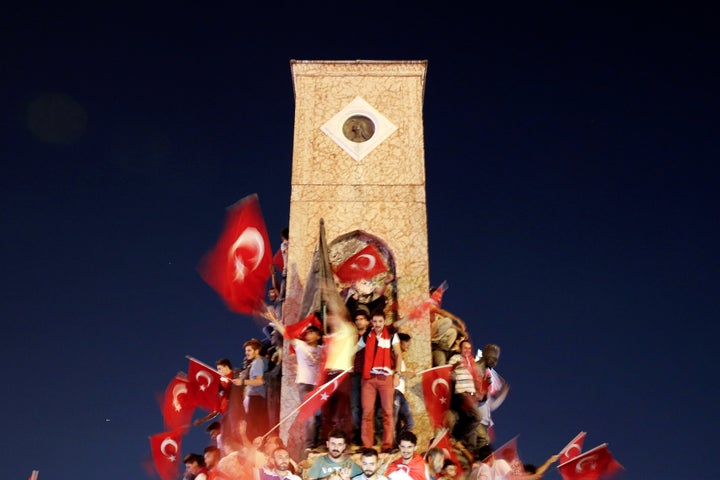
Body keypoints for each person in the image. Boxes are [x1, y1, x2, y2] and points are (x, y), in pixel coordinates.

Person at [360, 310, 402, 452]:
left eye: (380, 321)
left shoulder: (391, 335)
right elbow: (355, 349)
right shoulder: (367, 335)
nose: (377, 324)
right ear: (371, 322)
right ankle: (367, 446)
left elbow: (399, 355)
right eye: (375, 321)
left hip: (386, 377)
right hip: (369, 378)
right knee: (367, 412)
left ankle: (387, 445)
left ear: (384, 322)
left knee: (388, 412)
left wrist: (397, 374)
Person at [318, 313, 358, 444]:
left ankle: (345, 440)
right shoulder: (329, 338)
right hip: (328, 375)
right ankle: (326, 441)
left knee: (343, 411)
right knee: (327, 411)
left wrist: (329, 293)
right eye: (328, 317)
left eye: (333, 317)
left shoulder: (347, 331)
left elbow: (339, 308)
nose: (330, 319)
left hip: (342, 374)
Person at [447, 340, 483, 457]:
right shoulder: (456, 358)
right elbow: (448, 372)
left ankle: (471, 451)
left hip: (472, 396)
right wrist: (455, 366)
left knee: (471, 423)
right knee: (477, 417)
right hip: (462, 394)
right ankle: (456, 436)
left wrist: (478, 392)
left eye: (469, 348)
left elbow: (477, 380)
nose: (467, 350)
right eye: (465, 348)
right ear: (460, 349)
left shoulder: (472, 363)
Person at [237, 338, 269, 440]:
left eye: (249, 350)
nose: (247, 353)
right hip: (257, 397)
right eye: (246, 351)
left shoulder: (258, 362)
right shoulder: (259, 361)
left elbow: (259, 381)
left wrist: (242, 382)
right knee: (255, 427)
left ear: (257, 351)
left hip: (256, 397)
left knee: (253, 429)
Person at [351, 305, 372, 445]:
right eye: (357, 319)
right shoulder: (352, 337)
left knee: (369, 407)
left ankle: (369, 434)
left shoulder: (372, 336)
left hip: (370, 375)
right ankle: (358, 432)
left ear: (368, 321)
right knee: (355, 406)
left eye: (362, 319)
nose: (359, 322)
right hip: (355, 374)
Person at [394, 333, 415, 444]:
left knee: (410, 422)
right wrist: (406, 374)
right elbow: (389, 371)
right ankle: (393, 445)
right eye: (406, 342)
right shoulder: (392, 355)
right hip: (393, 391)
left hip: (400, 393)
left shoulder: (401, 358)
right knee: (393, 422)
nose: (408, 345)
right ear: (399, 342)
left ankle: (398, 443)